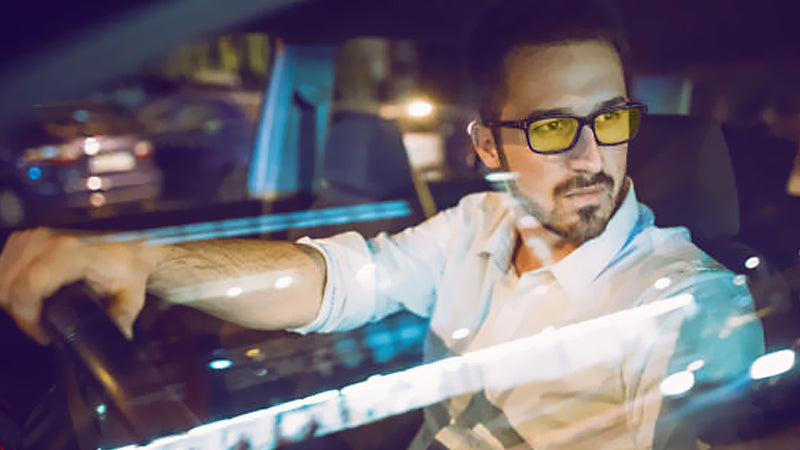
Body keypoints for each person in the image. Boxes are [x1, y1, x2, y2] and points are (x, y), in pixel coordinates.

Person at [0, 1, 763, 448]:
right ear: (488, 146)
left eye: (611, 118)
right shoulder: (478, 225)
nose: (594, 156)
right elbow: (336, 283)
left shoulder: (688, 301)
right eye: (554, 129)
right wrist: (144, 261)